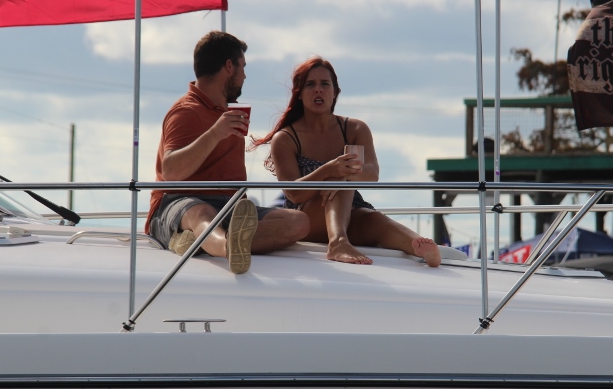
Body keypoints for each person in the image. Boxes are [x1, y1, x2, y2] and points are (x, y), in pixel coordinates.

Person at [250, 57, 441, 267]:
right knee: (340, 176)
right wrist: (329, 171)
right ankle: (338, 242)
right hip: (308, 217)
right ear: (299, 93)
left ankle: (419, 245)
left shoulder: (355, 129)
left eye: (325, 84)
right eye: (310, 84)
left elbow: (372, 174)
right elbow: (294, 194)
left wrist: (344, 171)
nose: (318, 90)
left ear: (335, 92)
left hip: (351, 210)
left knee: (375, 219)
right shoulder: (286, 138)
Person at [145, 31, 310, 274]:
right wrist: (215, 133)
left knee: (299, 222)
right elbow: (170, 172)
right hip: (180, 204)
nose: (245, 76)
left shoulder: (228, 111)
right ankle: (226, 247)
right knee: (203, 213)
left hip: (229, 206)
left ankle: (199, 243)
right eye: (243, 67)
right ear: (229, 66)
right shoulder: (186, 111)